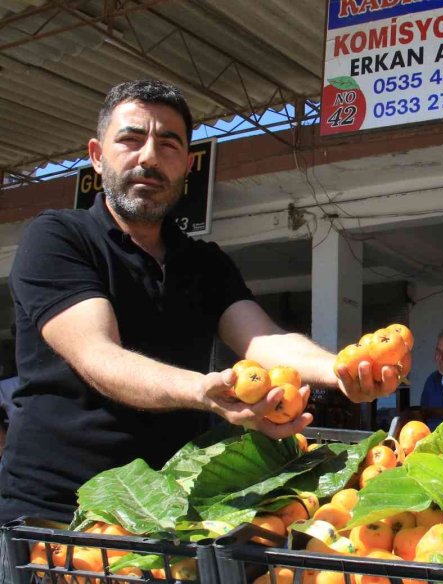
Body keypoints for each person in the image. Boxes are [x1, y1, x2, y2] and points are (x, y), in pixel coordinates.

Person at [0, 79, 398, 525]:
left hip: (169, 510)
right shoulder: (58, 238)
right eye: (131, 139)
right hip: (56, 513)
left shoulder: (204, 262)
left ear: (187, 164)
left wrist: (340, 369)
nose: (149, 157)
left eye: (168, 145)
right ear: (96, 154)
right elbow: (99, 356)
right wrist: (203, 392)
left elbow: (264, 340)